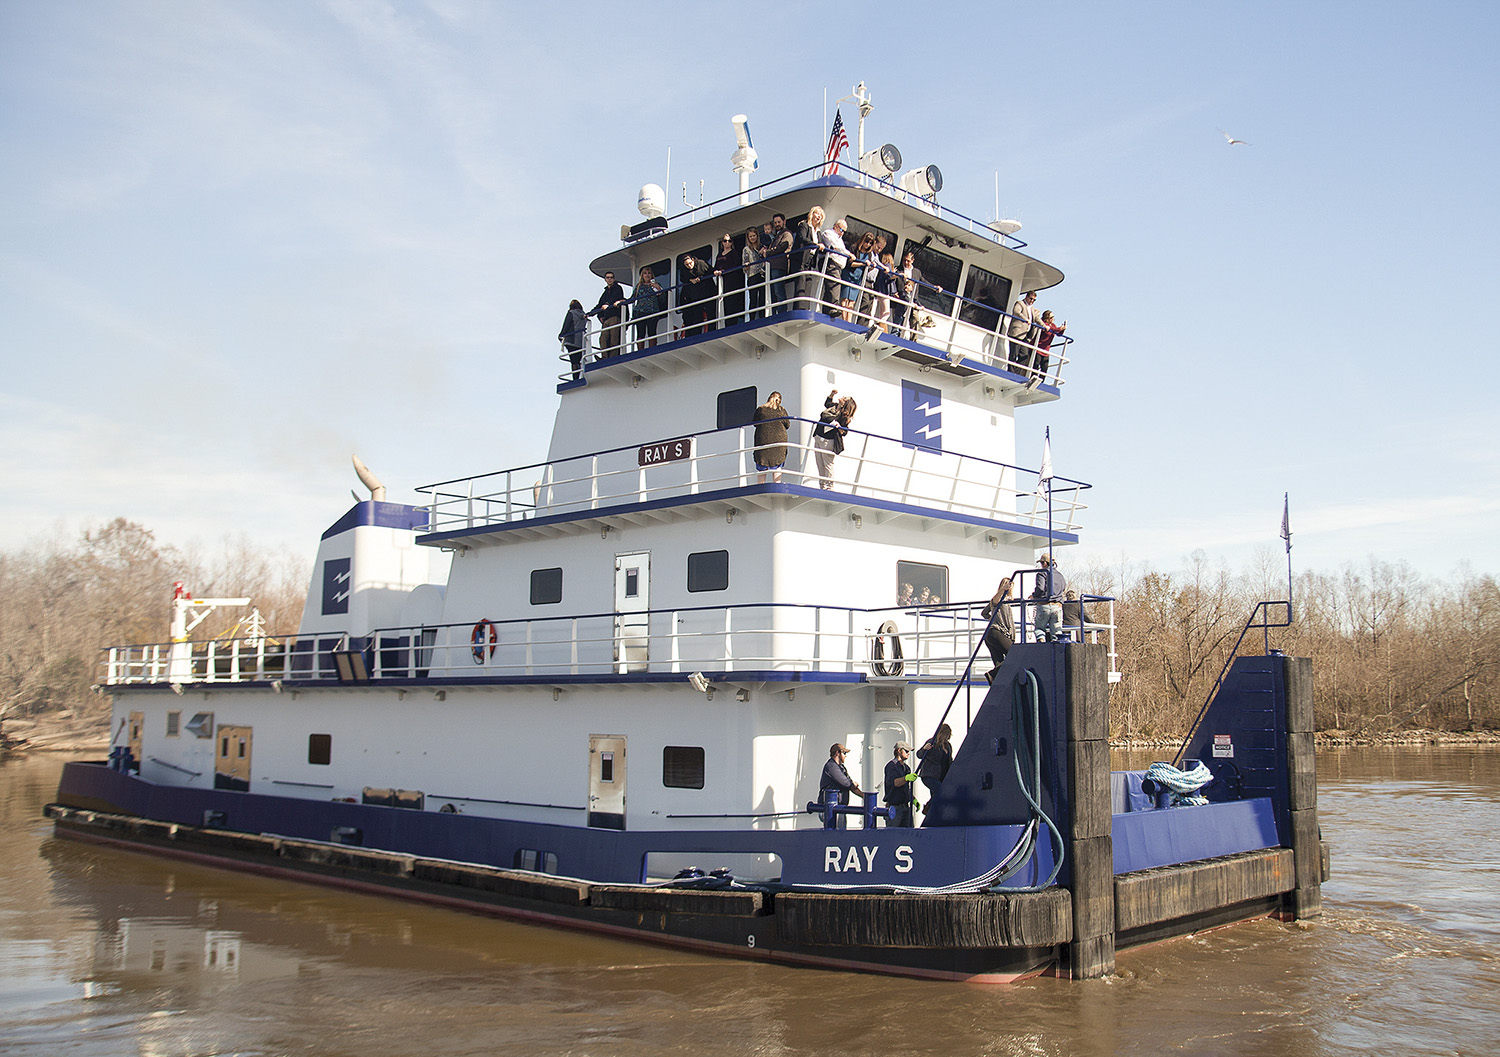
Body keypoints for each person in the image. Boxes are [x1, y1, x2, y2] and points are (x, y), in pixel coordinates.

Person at [811, 390, 855, 489]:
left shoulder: (843, 416)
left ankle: (829, 487)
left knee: (827, 464)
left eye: (845, 398)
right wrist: (831, 395)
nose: (842, 397)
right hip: (819, 436)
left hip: (828, 440)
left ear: (845, 403)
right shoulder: (834, 406)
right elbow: (827, 403)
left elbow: (845, 431)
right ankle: (822, 486)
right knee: (819, 463)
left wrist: (839, 427)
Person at [819, 742, 868, 828]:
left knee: (840, 833)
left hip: (839, 808)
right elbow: (846, 783)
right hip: (831, 809)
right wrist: (852, 784)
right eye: (844, 753)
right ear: (837, 753)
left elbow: (850, 785)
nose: (846, 756)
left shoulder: (841, 768)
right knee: (835, 835)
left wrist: (864, 796)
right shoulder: (831, 767)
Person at [981, 576, 1016, 683]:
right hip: (997, 632)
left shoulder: (1007, 601)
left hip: (992, 634)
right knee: (1015, 655)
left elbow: (984, 612)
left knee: (999, 665)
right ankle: (991, 675)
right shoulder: (999, 600)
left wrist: (992, 617)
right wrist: (1002, 590)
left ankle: (996, 682)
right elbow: (995, 601)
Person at [751, 391, 788, 483]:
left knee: (762, 466)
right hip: (779, 442)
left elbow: (755, 423)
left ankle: (760, 486)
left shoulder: (761, 409)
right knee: (777, 466)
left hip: (762, 440)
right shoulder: (781, 410)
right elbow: (787, 424)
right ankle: (777, 484)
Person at [1031, 553, 1067, 642]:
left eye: (1041, 563)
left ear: (1045, 563)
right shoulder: (1060, 575)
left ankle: (1041, 642)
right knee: (1057, 633)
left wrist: (1034, 596)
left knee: (1039, 629)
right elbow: (1063, 588)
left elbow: (1040, 588)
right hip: (1057, 606)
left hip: (1044, 605)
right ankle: (1058, 651)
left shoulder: (1042, 573)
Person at [794, 206, 825, 308]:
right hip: (801, 259)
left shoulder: (818, 232)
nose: (819, 216)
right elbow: (802, 238)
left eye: (821, 215)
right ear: (812, 214)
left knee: (808, 283)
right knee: (801, 283)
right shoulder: (804, 225)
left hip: (810, 260)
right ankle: (799, 308)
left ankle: (806, 308)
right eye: (817, 214)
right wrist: (815, 245)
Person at [819, 218, 850, 317]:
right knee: (835, 283)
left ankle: (827, 309)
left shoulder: (840, 239)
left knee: (830, 286)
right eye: (841, 230)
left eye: (844, 231)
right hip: (830, 262)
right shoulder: (828, 233)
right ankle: (833, 307)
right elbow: (835, 246)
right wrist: (848, 253)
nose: (842, 233)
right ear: (836, 226)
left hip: (837, 265)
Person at [592, 271, 627, 357]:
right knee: (603, 339)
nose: (609, 279)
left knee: (614, 339)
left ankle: (613, 357)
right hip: (606, 318)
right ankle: (605, 357)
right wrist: (591, 313)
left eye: (611, 277)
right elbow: (600, 305)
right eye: (608, 277)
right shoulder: (605, 292)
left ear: (614, 279)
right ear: (605, 279)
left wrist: (607, 304)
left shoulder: (618, 288)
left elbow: (615, 297)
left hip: (615, 317)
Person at [883, 741, 917, 828]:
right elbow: (895, 783)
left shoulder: (906, 768)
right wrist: (906, 778)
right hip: (894, 808)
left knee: (909, 835)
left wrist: (913, 799)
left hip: (906, 807)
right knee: (892, 835)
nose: (908, 754)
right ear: (899, 751)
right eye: (906, 751)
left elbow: (906, 788)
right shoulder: (891, 766)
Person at [630, 267, 665, 350]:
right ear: (642, 275)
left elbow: (663, 299)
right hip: (640, 312)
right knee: (640, 333)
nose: (647, 275)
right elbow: (632, 298)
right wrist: (621, 301)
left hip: (652, 311)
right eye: (645, 273)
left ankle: (652, 349)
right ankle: (640, 350)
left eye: (649, 273)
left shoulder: (656, 285)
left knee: (652, 332)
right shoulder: (639, 286)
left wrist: (659, 289)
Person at [679, 254, 715, 335]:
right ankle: (696, 334)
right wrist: (690, 280)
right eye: (687, 265)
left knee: (711, 313)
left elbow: (711, 270)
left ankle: (712, 331)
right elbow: (683, 279)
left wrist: (701, 277)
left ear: (693, 260)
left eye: (690, 263)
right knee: (697, 316)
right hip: (696, 296)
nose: (689, 266)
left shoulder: (701, 264)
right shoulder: (684, 271)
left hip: (708, 292)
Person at [764, 212, 794, 308]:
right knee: (772, 292)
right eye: (775, 222)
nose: (777, 224)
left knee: (778, 291)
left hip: (779, 266)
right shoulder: (776, 235)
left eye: (779, 222)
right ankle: (774, 313)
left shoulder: (787, 233)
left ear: (784, 222)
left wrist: (768, 252)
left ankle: (782, 312)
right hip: (772, 266)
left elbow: (783, 246)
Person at [1007, 289, 1040, 375]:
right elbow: (1016, 312)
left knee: (1024, 355)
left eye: (1034, 300)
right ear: (1026, 297)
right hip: (1017, 333)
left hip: (1025, 335)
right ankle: (1010, 372)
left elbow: (1036, 318)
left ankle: (1015, 372)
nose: (1032, 301)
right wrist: (1026, 320)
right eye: (1030, 298)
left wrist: (1044, 326)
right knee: (1014, 354)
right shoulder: (1020, 303)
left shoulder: (1031, 308)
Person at [713, 233, 743, 326]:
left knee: (732, 302)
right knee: (725, 303)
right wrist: (716, 272)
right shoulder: (719, 255)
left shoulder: (734, 253)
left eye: (729, 241)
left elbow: (736, 264)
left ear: (732, 243)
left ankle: (734, 323)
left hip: (733, 281)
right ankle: (727, 323)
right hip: (723, 283)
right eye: (725, 241)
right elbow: (715, 267)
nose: (727, 243)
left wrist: (723, 271)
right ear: (722, 243)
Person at [916, 723, 953, 799]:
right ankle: (928, 808)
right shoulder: (932, 742)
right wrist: (924, 749)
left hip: (941, 776)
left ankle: (930, 809)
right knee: (941, 791)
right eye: (947, 735)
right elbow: (919, 755)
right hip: (930, 775)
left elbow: (949, 760)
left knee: (936, 796)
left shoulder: (948, 746)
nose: (949, 737)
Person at [1034, 309, 1066, 384]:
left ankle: (1041, 382)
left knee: (1044, 367)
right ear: (1046, 318)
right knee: (1035, 365)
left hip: (1046, 350)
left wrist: (1062, 329)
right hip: (1039, 348)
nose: (1053, 319)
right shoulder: (1044, 324)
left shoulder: (1053, 325)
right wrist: (1058, 329)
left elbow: (1058, 333)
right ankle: (1033, 379)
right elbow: (1050, 329)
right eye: (1051, 317)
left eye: (1053, 317)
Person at [557, 299, 587, 379]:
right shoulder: (584, 316)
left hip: (571, 340)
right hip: (581, 342)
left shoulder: (571, 313)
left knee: (573, 361)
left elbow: (566, 325)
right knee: (579, 360)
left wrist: (561, 335)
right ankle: (580, 376)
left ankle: (575, 378)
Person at [742, 226, 767, 319]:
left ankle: (762, 317)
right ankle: (752, 318)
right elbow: (744, 265)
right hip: (752, 276)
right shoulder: (746, 249)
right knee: (753, 298)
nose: (753, 238)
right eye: (750, 236)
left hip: (762, 274)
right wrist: (746, 265)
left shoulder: (762, 246)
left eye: (754, 235)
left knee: (762, 298)